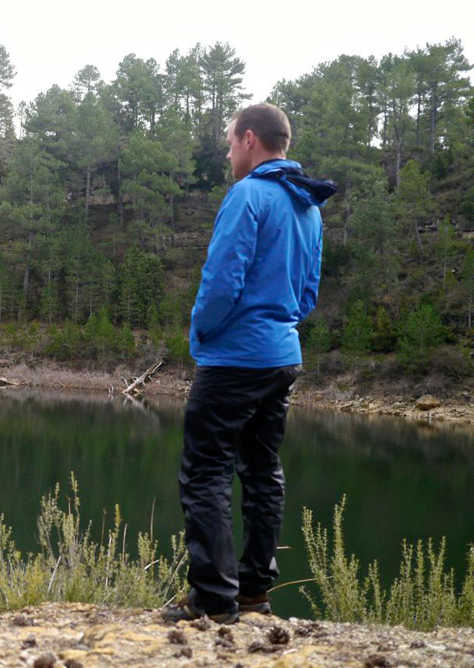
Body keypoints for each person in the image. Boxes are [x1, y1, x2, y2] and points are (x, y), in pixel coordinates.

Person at [162, 103, 336, 624]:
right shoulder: (308, 205)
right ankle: (254, 592)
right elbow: (307, 295)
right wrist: (278, 324)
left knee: (205, 472)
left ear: (251, 140)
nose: (227, 153)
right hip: (282, 357)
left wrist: (202, 331)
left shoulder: (248, 196)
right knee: (262, 471)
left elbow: (220, 282)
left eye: (230, 142)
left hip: (235, 357)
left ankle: (214, 599)